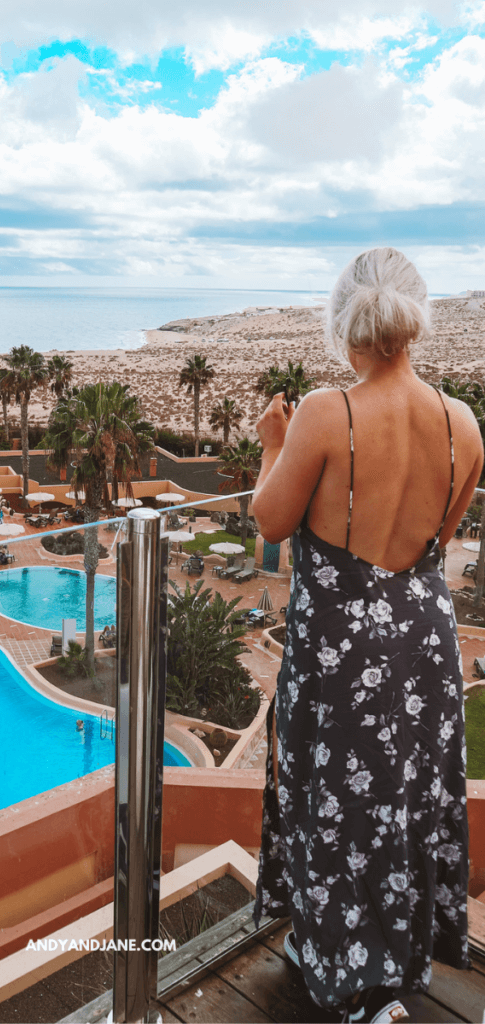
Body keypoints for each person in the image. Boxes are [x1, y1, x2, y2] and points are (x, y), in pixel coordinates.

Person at [250, 247, 483, 1023]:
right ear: (412, 319)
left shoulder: (325, 413)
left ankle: (346, 977)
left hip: (339, 655)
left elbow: (270, 522)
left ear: (343, 321)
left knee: (334, 803)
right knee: (406, 799)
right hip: (421, 645)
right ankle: (395, 968)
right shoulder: (462, 424)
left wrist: (270, 444)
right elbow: (434, 547)